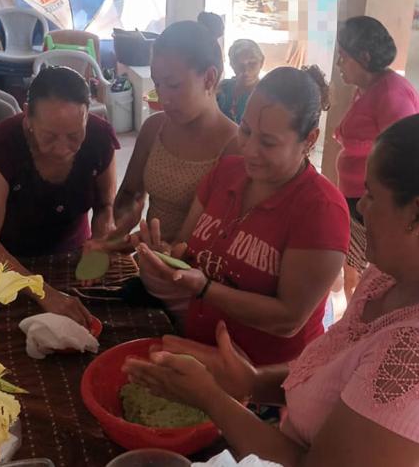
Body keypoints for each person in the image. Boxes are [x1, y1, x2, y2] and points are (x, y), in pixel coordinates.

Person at [125, 109, 419, 466]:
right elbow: (339, 372)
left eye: (374, 197)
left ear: (416, 216)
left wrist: (212, 399)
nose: (361, 208)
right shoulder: (396, 276)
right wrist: (254, 382)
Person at [133, 65, 348, 366]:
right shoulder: (226, 173)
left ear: (309, 139)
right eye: (246, 130)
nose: (249, 149)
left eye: (268, 142)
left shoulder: (321, 209)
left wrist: (205, 288)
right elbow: (185, 247)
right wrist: (166, 257)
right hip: (201, 350)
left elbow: (288, 319)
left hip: (264, 379)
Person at [0, 66, 119, 328]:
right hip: (12, 264)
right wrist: (45, 293)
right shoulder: (4, 143)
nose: (62, 148)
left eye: (75, 135)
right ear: (27, 115)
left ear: (87, 115)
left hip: (75, 260)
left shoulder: (99, 137)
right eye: (49, 136)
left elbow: (106, 204)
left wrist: (99, 243)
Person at [115, 21, 239, 243]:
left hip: (198, 273)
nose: (164, 98)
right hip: (150, 264)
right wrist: (125, 221)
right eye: (157, 84)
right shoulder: (154, 128)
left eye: (173, 85)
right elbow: (128, 194)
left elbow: (225, 235)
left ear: (210, 78)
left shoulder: (235, 146)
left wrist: (169, 256)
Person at [335, 16, 419, 297]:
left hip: (371, 202)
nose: (338, 64)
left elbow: (405, 155)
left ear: (363, 57)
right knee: (353, 271)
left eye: (343, 58)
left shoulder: (392, 94)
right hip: (358, 197)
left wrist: (377, 201)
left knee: (369, 279)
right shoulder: (367, 89)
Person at [217, 39, 264, 124]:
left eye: (252, 64)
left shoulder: (266, 96)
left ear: (262, 63)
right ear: (231, 65)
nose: (246, 71)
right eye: (240, 65)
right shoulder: (223, 88)